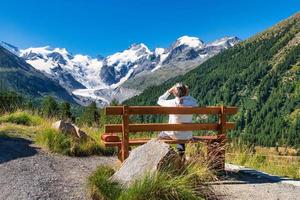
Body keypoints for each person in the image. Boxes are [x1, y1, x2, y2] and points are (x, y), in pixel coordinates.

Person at [157, 82, 198, 156]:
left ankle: (165, 157)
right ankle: (181, 157)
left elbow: (160, 100)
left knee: (160, 136)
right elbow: (195, 101)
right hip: (187, 135)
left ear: (174, 93)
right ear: (186, 92)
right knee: (180, 133)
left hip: (173, 134)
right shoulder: (192, 103)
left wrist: (169, 91)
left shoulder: (171, 103)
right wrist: (186, 93)